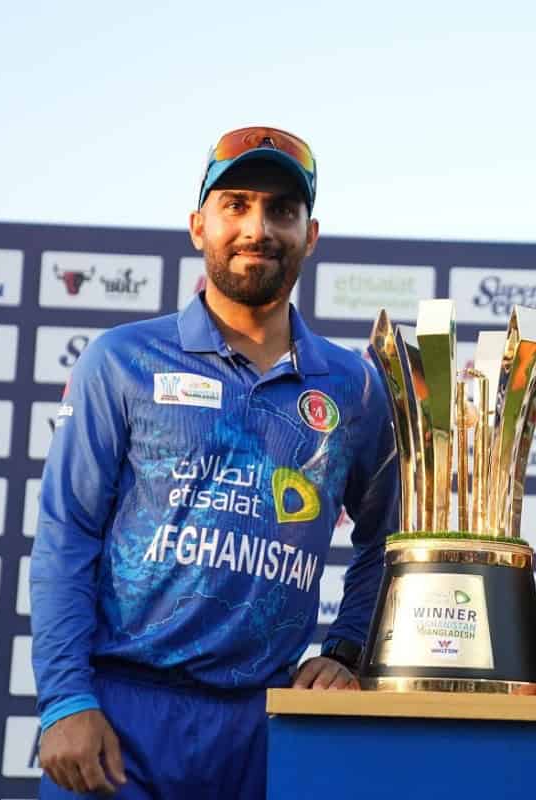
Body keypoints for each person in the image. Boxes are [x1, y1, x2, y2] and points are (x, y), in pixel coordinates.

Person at [30, 126, 399, 798]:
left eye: (282, 210)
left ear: (310, 235)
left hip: (265, 727)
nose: (258, 228)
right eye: (236, 205)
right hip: (119, 716)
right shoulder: (121, 360)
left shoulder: (356, 387)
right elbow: (66, 534)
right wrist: (64, 700)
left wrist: (348, 649)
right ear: (198, 225)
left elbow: (388, 541)